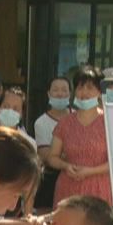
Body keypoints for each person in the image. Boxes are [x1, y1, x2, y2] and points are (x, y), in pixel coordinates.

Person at [52, 67, 112, 205]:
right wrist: (66, 166)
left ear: (99, 91)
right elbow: (52, 156)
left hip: (98, 188)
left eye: (90, 88)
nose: (84, 93)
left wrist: (90, 171)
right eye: (80, 88)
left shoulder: (108, 121)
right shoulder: (65, 123)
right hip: (68, 187)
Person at [32, 73, 70, 217]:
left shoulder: (77, 117)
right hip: (51, 179)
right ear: (48, 93)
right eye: (56, 90)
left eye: (64, 90)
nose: (60, 94)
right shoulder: (41, 122)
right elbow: (45, 155)